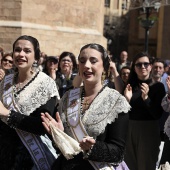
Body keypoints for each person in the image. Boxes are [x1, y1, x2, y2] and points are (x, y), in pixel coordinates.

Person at [41, 43, 131, 170]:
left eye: (93, 61)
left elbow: (118, 153)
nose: (87, 66)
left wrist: (94, 147)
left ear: (104, 67)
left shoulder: (117, 102)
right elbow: (63, 147)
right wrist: (58, 135)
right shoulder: (68, 98)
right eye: (82, 61)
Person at [0, 35, 60, 169]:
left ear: (36, 57)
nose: (21, 54)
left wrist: (7, 114)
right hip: (4, 151)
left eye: (27, 51)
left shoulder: (46, 83)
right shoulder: (6, 81)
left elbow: (42, 124)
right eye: (17, 50)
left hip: (30, 155)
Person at [124, 52, 166, 170]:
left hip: (148, 129)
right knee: (129, 166)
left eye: (146, 64)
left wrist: (146, 98)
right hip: (129, 129)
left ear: (150, 66)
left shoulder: (158, 87)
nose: (143, 67)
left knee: (146, 165)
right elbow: (122, 111)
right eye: (139, 65)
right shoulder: (129, 86)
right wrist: (126, 100)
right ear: (134, 68)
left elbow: (157, 114)